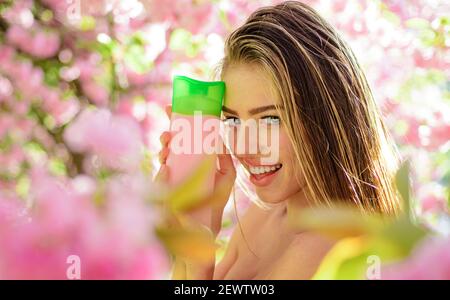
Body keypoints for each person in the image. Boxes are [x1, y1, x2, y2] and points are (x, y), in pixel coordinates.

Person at [156, 1, 400, 279]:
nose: (244, 147)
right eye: (233, 120)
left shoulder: (339, 254)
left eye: (269, 120)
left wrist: (198, 267)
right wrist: (202, 222)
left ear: (324, 117)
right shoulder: (261, 219)